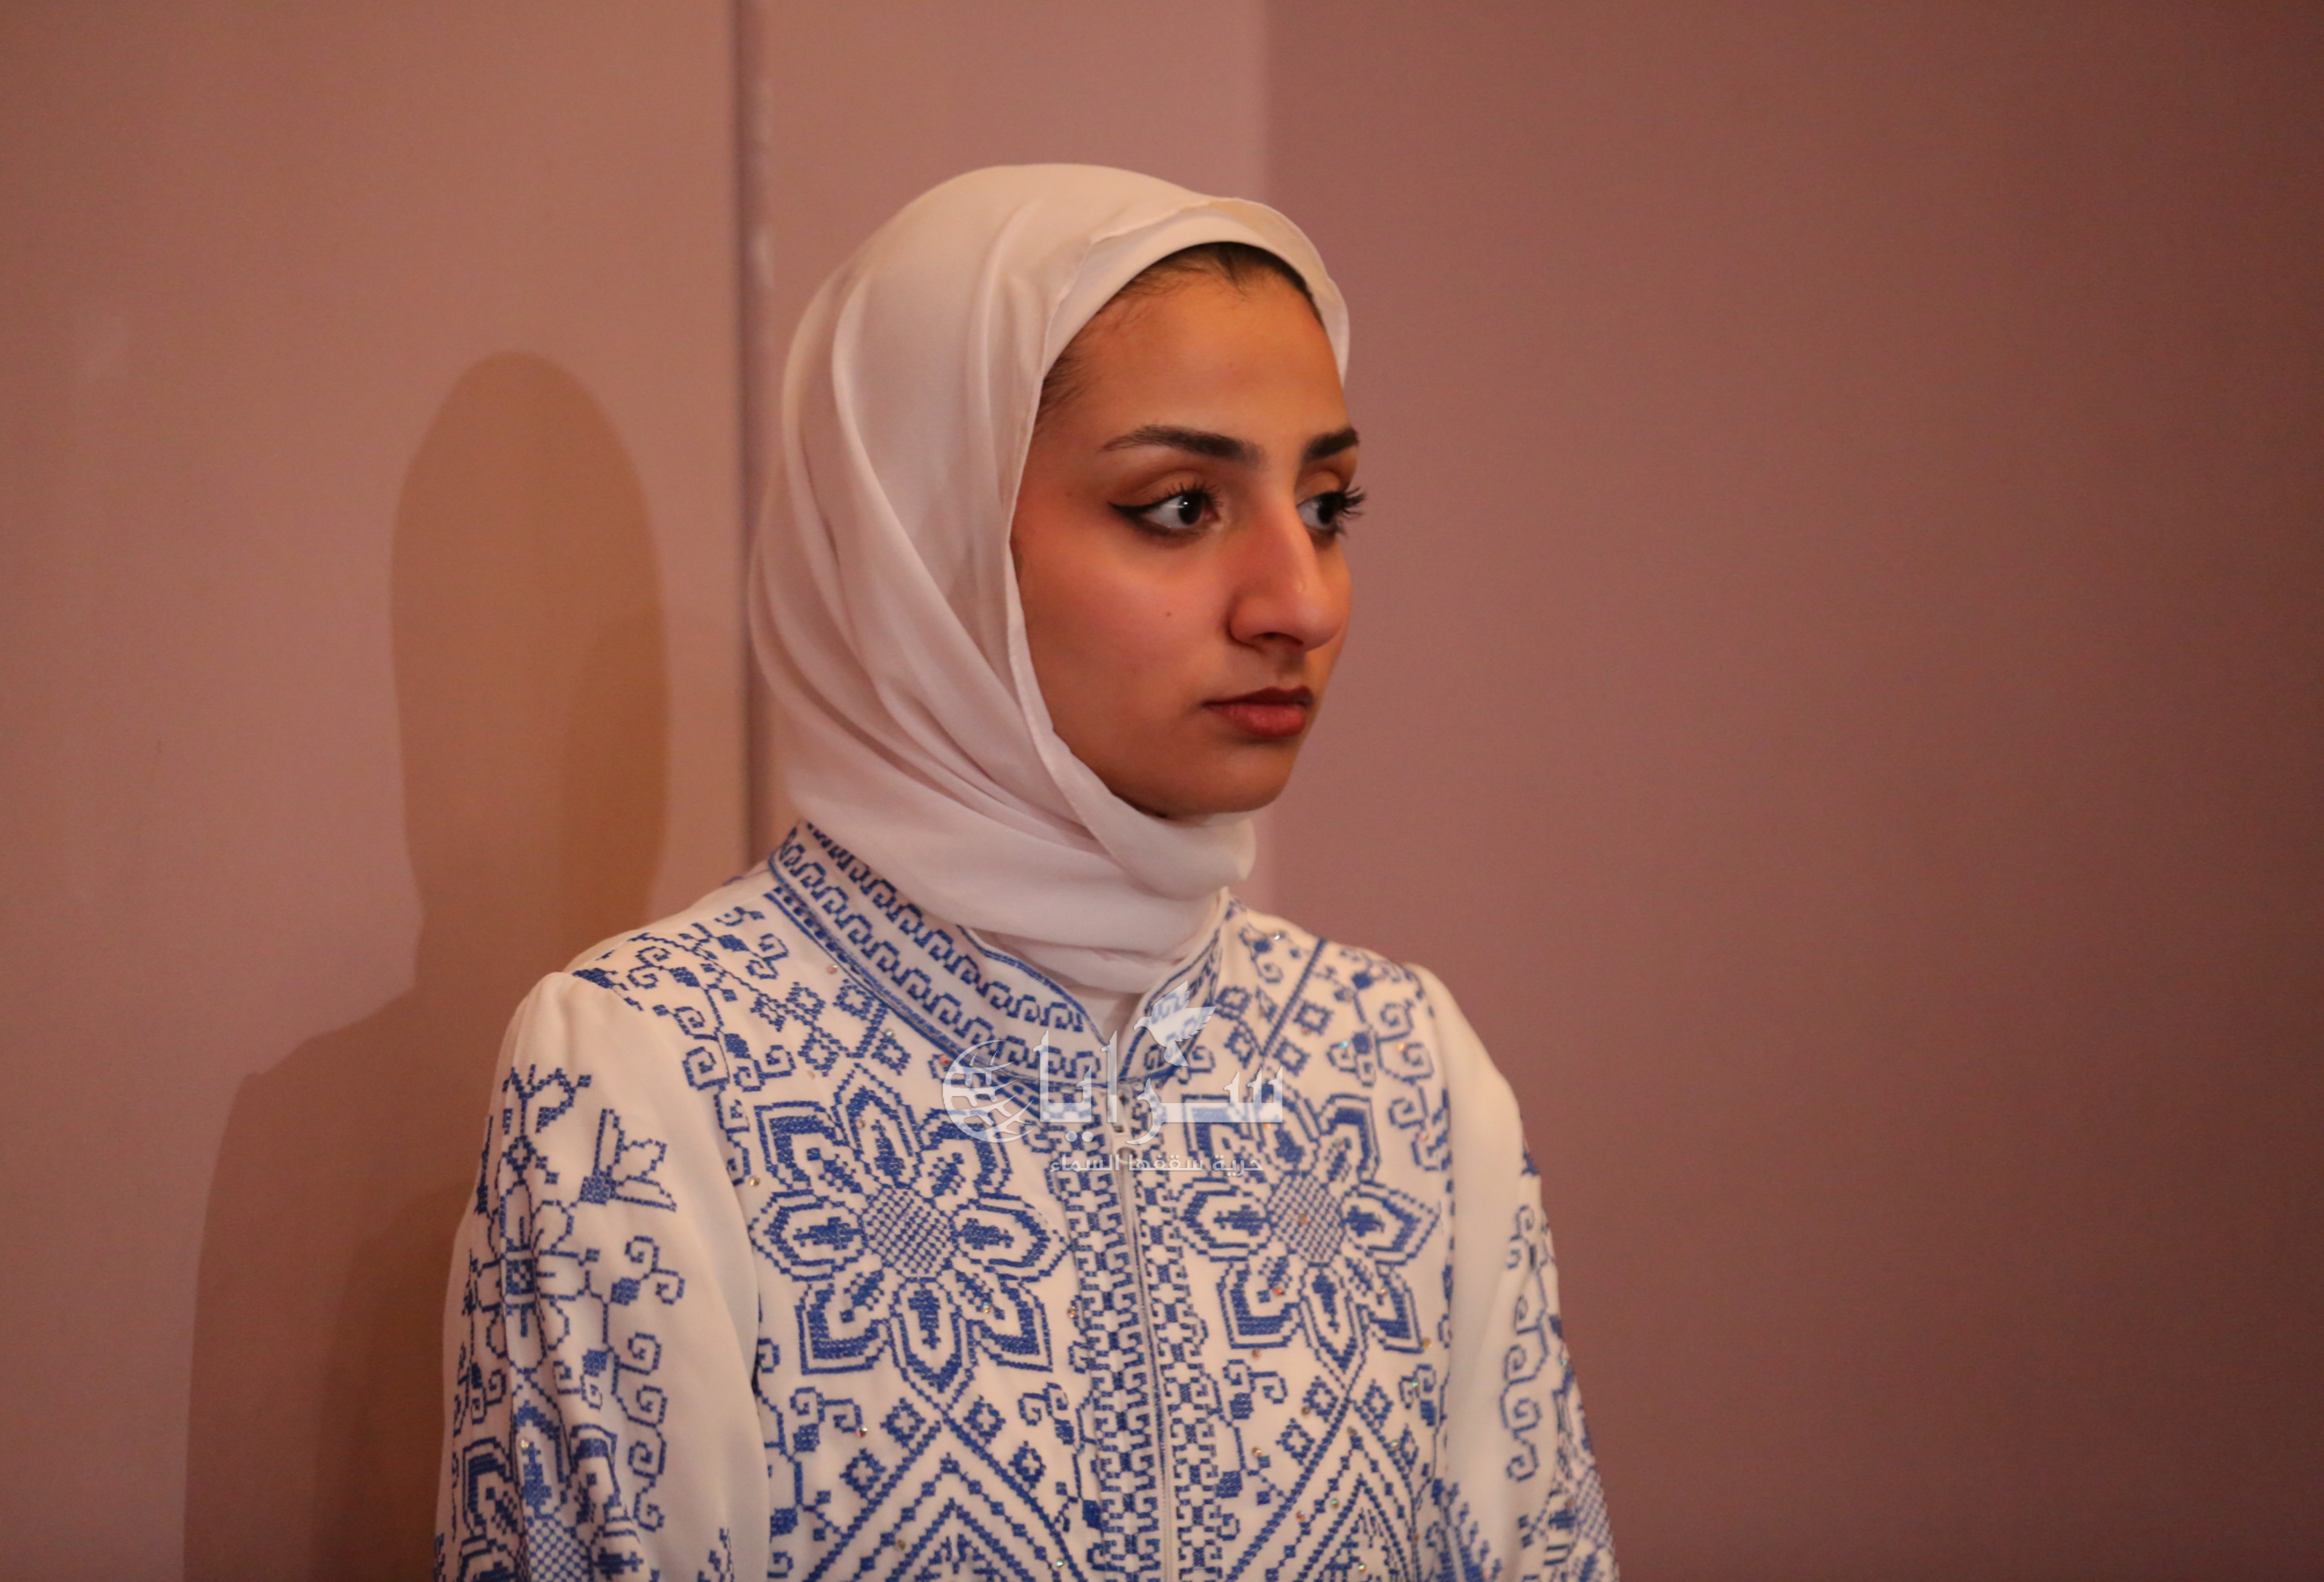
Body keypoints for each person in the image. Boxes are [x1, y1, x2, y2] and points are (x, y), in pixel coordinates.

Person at [435, 164, 1617, 1582]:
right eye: (1179, 506)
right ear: (927, 538)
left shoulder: (1403, 1072)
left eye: (1327, 506)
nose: (1301, 601)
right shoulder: (654, 1077)